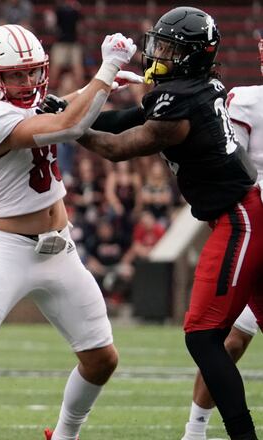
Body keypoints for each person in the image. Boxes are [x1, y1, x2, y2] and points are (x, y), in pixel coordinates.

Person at [0, 24, 138, 440]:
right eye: (16, 75)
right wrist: (105, 73)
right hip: (8, 249)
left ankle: (65, 436)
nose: (28, 82)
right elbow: (65, 125)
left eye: (33, 72)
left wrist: (95, 85)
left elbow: (52, 108)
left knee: (102, 359)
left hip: (60, 248)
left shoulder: (21, 103)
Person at [77, 7, 263, 440]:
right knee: (217, 337)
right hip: (239, 214)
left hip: (240, 218)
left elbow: (118, 147)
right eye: (159, 44)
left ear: (194, 55)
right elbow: (129, 118)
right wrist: (72, 112)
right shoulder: (198, 87)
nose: (159, 54)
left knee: (203, 335)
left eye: (170, 48)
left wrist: (65, 128)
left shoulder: (183, 103)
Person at [181, 39, 263, 440]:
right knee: (225, 341)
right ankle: (195, 430)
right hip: (255, 226)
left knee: (211, 337)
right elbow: (234, 169)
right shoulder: (245, 101)